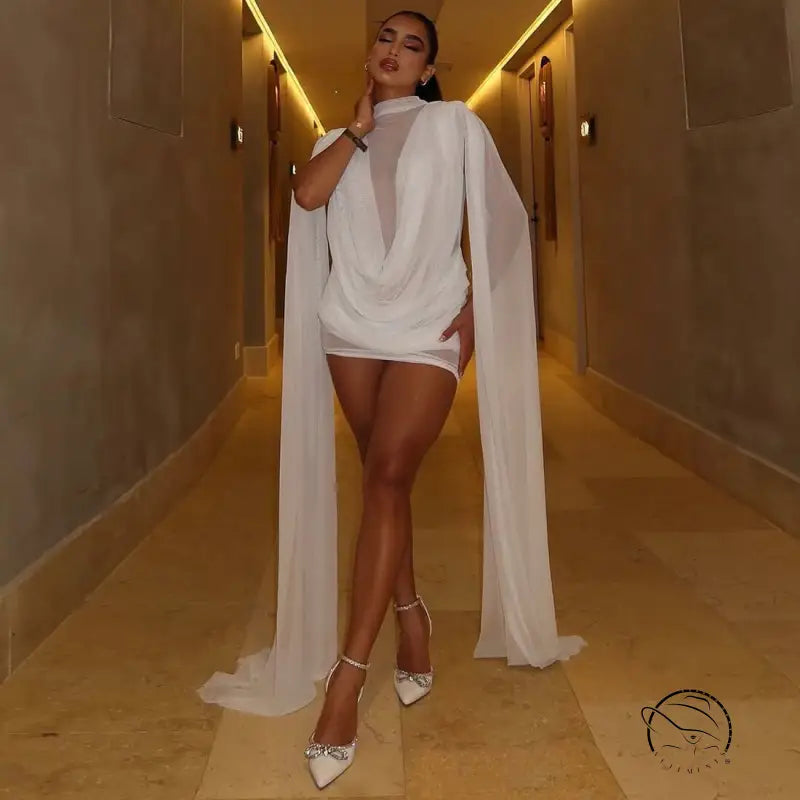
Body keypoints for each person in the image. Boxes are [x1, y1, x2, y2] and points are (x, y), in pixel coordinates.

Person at [199, 9, 586, 790]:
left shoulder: (454, 126)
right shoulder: (333, 143)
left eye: (413, 46)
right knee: (386, 482)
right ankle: (412, 615)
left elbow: (503, 225)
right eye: (386, 39)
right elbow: (307, 198)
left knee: (386, 476)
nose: (395, 52)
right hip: (350, 325)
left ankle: (347, 681)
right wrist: (355, 130)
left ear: (429, 68)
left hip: (427, 326)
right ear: (369, 53)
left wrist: (474, 314)